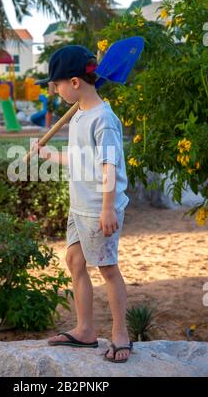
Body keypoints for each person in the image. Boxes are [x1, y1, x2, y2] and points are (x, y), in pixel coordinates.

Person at [32, 45, 133, 363]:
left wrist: (107, 208)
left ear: (75, 82)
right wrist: (48, 154)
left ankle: (120, 334)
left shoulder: (103, 118)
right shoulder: (79, 114)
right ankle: (86, 330)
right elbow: (80, 159)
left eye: (56, 84)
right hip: (80, 207)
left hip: (98, 208)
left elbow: (109, 165)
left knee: (108, 269)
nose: (55, 89)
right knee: (75, 262)